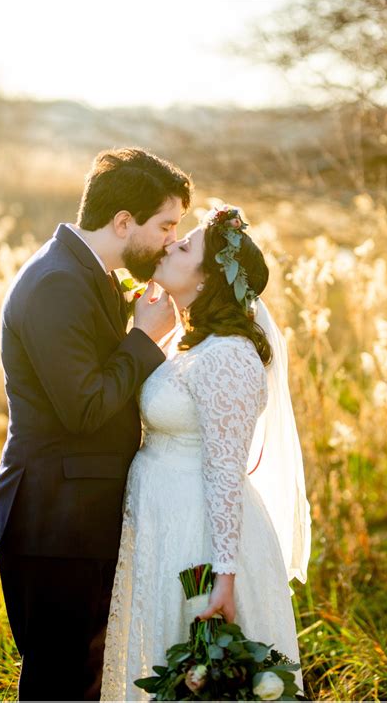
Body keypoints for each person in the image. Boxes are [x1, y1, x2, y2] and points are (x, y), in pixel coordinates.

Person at [0, 147, 192, 701]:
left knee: (81, 679)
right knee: (59, 683)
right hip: (54, 521)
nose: (172, 240)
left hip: (78, 517)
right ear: (123, 222)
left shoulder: (90, 274)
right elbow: (83, 408)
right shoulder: (57, 283)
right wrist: (145, 339)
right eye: (166, 225)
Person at [100, 205, 312, 701]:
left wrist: (224, 578)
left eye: (185, 245)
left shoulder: (230, 356)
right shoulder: (191, 345)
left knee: (197, 669)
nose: (170, 245)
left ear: (210, 277)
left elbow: (224, 472)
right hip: (160, 526)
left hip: (197, 544)